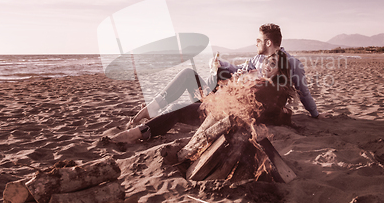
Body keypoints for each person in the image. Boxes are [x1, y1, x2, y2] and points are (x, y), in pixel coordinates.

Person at [109, 49, 295, 144]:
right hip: (218, 99)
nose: (267, 66)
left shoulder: (272, 86)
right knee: (189, 73)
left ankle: (139, 132)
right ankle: (151, 109)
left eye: (273, 64)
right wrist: (235, 80)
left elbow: (259, 108)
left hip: (219, 112)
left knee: (178, 109)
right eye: (268, 62)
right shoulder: (260, 76)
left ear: (280, 70)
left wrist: (235, 85)